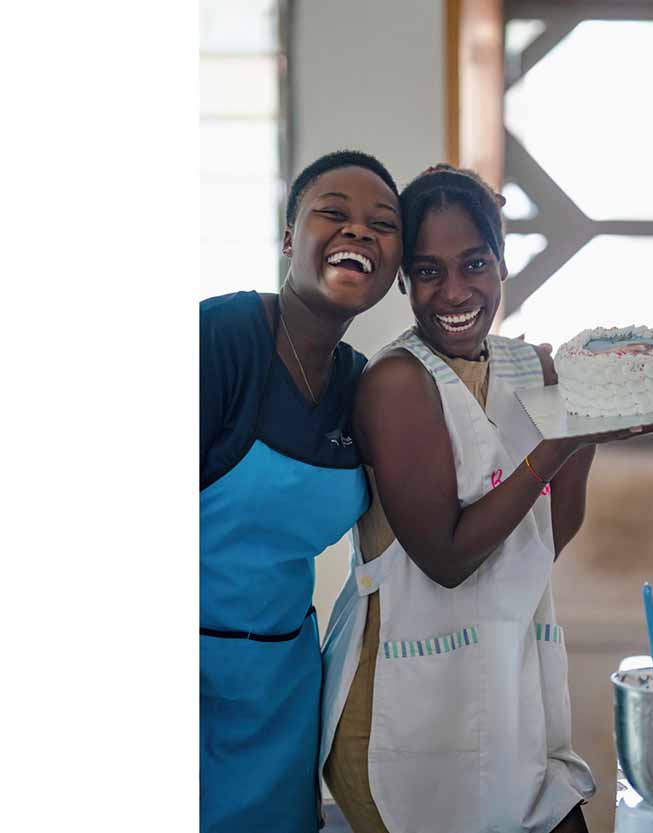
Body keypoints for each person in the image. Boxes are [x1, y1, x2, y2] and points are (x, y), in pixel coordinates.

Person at [319, 164, 653, 833]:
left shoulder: (527, 367)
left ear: (503, 264)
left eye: (474, 262)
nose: (454, 289)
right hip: (404, 705)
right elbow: (447, 558)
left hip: (507, 695)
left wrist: (587, 421)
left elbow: (545, 539)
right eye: (427, 270)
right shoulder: (396, 383)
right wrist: (560, 443)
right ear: (403, 280)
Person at [200, 150, 403, 833]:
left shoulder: (364, 387)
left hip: (283, 688)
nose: (359, 233)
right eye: (334, 214)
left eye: (382, 224)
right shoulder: (220, 341)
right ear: (290, 237)